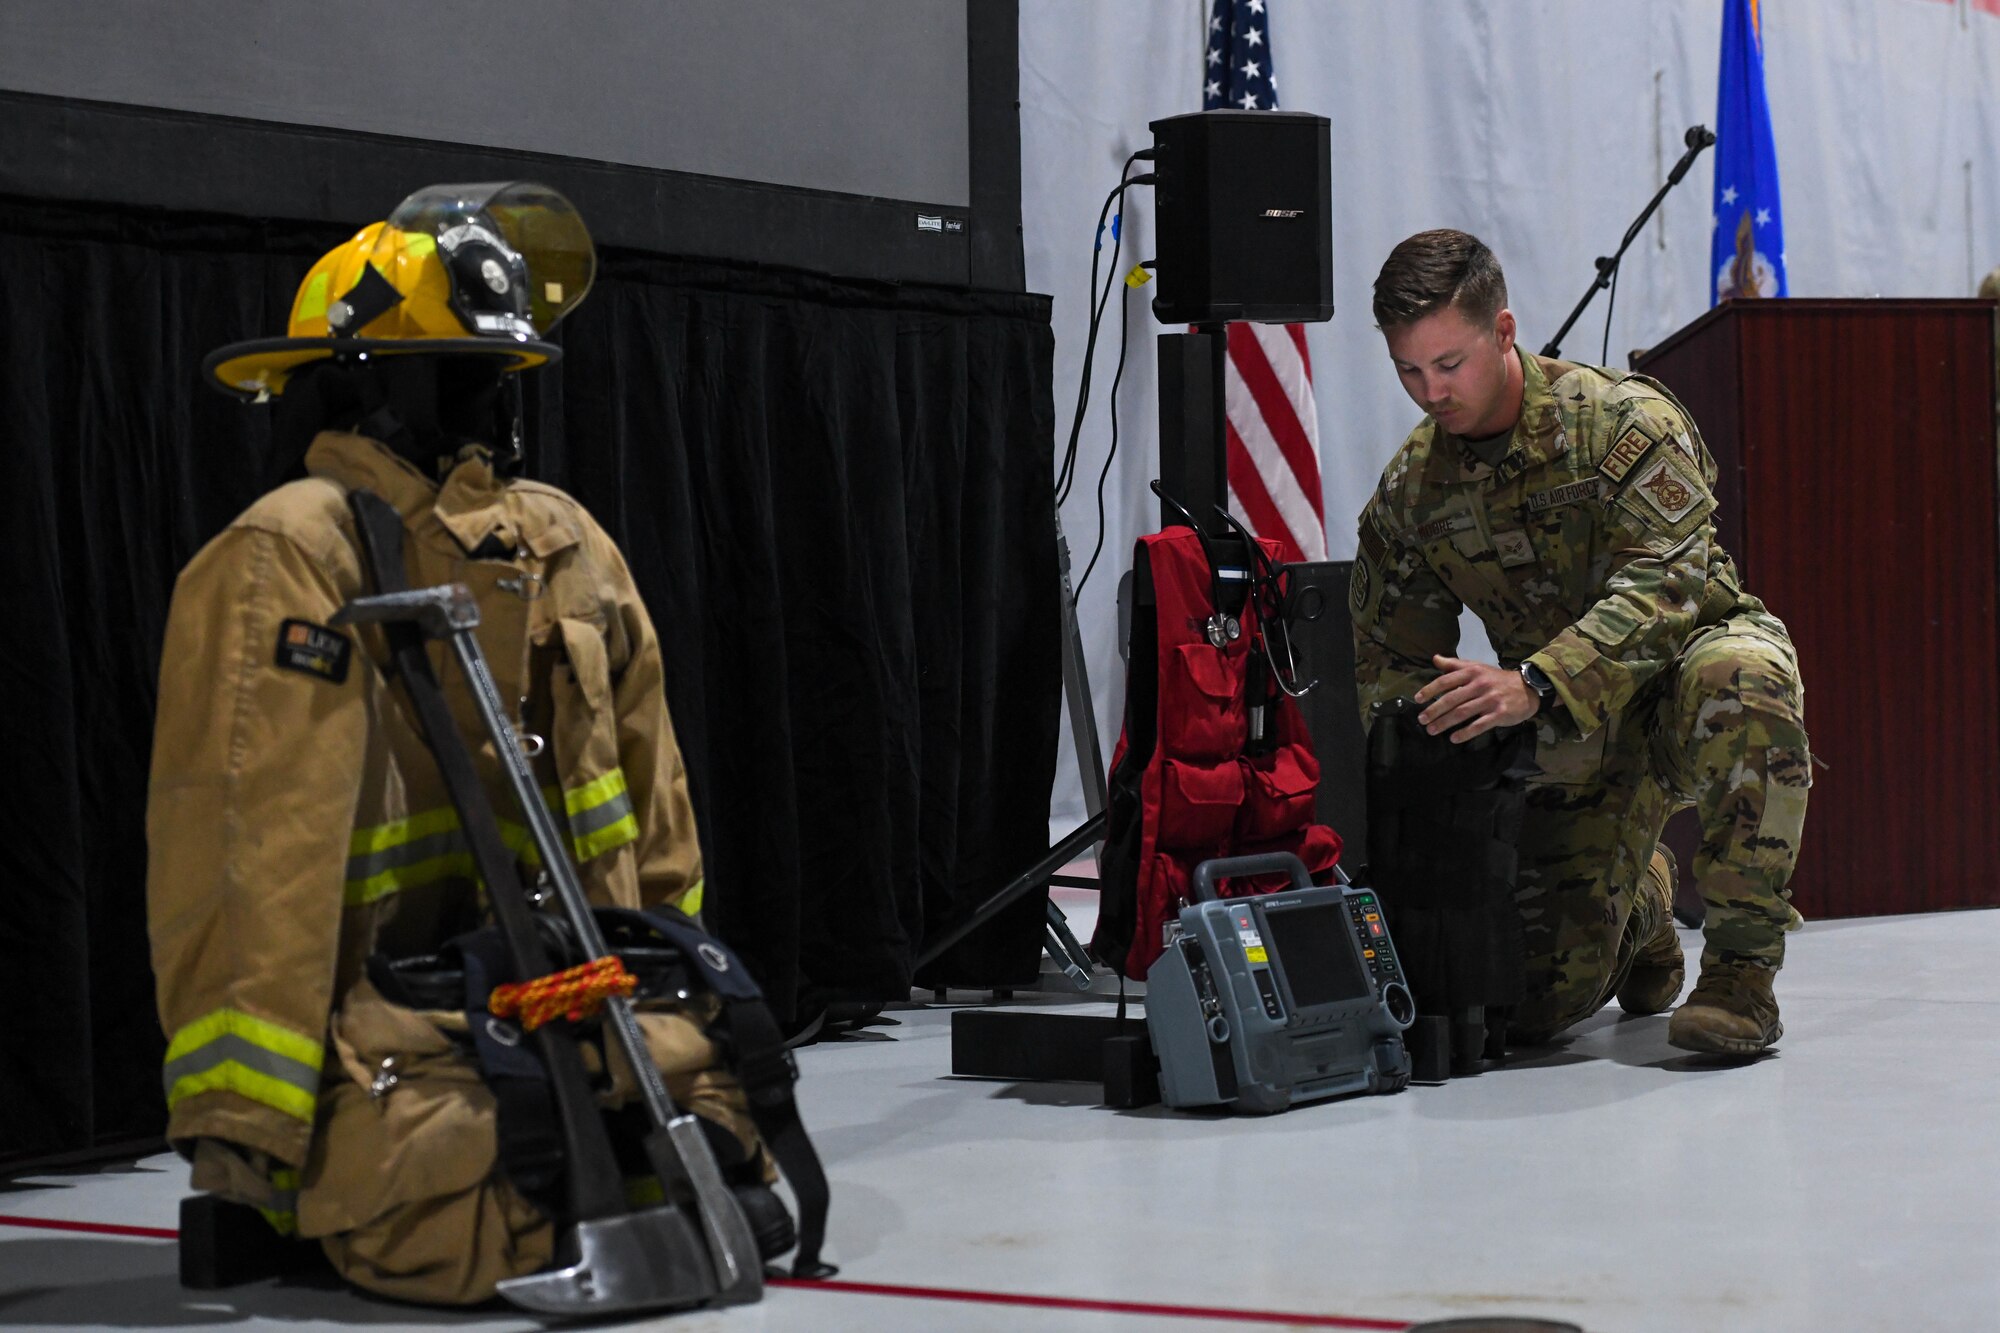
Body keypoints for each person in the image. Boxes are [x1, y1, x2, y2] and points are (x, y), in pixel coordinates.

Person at [149, 183, 782, 1302]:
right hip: (449, 1040)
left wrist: (668, 989)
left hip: (513, 1026)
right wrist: (252, 1141)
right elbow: (250, 859)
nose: (490, 406)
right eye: (465, 377)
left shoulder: (511, 539)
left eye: (491, 378)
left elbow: (650, 798)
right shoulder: (334, 554)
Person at [1350, 228, 1810, 1057]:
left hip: (1680, 676)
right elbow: (1387, 661)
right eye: (1409, 371)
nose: (1431, 392)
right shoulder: (1413, 492)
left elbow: (1667, 586)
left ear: (1503, 330)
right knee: (1526, 1003)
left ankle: (1742, 974)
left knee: (1745, 674)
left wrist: (1533, 682)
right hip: (1568, 734)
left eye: (1449, 364)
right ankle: (1645, 906)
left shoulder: (1618, 422)